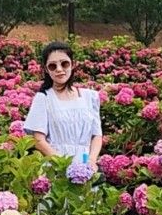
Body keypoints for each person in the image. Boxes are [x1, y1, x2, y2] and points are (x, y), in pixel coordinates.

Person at [24, 41, 103, 170]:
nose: (59, 69)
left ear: (73, 64)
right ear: (46, 69)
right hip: (56, 169)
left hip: (86, 168)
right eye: (52, 66)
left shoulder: (90, 97)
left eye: (64, 63)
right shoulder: (43, 98)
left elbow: (96, 135)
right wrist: (64, 166)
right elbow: (38, 140)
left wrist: (91, 161)